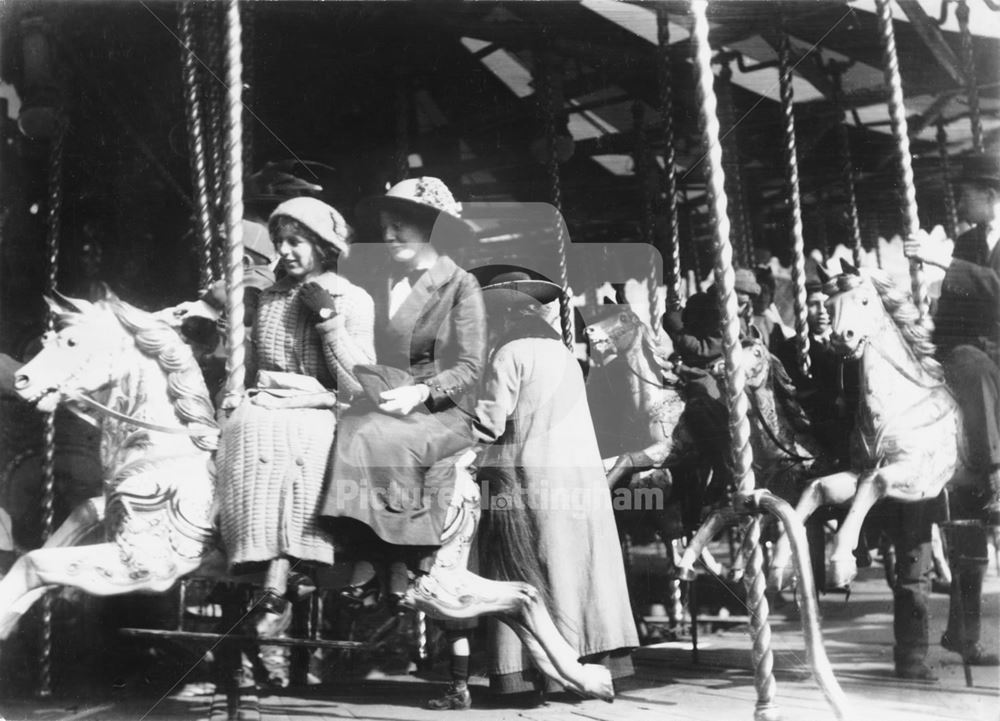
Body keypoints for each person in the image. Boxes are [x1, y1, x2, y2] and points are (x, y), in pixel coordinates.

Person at [456, 266, 638, 707]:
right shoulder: (563, 356)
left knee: (526, 567)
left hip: (533, 475)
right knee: (581, 568)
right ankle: (596, 658)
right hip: (580, 475)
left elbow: (489, 422)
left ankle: (523, 673)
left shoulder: (508, 354)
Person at [320, 177, 486, 610]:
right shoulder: (376, 281)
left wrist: (420, 394)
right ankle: (361, 551)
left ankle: (397, 559)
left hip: (441, 408)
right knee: (347, 428)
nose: (389, 235)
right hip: (382, 395)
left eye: (400, 226)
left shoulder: (460, 285)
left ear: (432, 229)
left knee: (381, 437)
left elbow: (470, 367)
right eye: (385, 226)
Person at [216, 197, 375, 633]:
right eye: (280, 241)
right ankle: (238, 549)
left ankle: (288, 563)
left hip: (320, 402)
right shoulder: (268, 298)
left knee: (303, 441)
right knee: (236, 430)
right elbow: (251, 367)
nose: (284, 251)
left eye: (296, 241)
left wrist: (328, 321)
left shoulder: (353, 299)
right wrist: (231, 394)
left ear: (323, 246)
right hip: (265, 397)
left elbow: (358, 383)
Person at [905, 151, 1000, 668]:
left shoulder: (962, 251)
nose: (959, 202)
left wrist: (949, 264)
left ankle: (995, 472)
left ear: (989, 195)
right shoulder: (967, 241)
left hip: (994, 359)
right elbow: (955, 312)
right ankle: (964, 634)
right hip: (969, 362)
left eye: (965, 193)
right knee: (966, 524)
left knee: (970, 360)